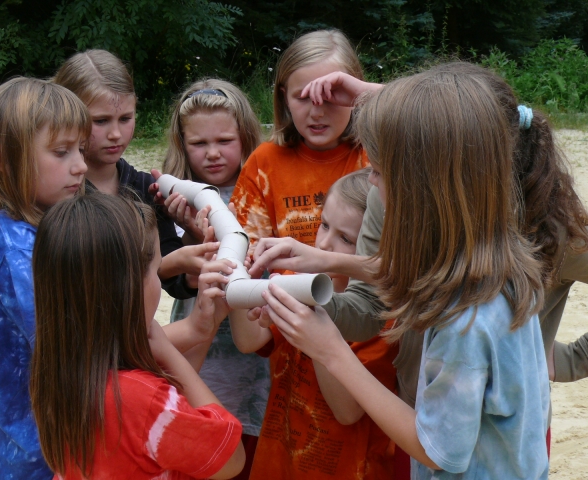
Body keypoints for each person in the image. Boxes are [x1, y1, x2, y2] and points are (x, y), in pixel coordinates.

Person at [250, 62, 588, 456]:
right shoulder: (468, 257)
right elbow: (383, 294)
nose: (370, 183)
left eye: (377, 170)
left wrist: (573, 359)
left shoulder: (475, 305)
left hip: (467, 445)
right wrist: (316, 296)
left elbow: (439, 450)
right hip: (414, 423)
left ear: (427, 185)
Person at [30, 193, 245, 479]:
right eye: (156, 270)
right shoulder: (138, 400)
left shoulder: (62, 369)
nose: (158, 279)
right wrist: (170, 353)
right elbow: (230, 457)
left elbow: (175, 401)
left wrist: (206, 326)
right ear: (128, 287)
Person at [229, 168, 398, 479]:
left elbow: (347, 412)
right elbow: (248, 340)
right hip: (280, 461)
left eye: (346, 238)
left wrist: (316, 326)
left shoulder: (384, 319)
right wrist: (236, 274)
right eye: (325, 225)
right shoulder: (299, 279)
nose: (325, 244)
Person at [159, 78, 266, 480]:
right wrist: (189, 233)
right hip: (205, 351)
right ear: (182, 144)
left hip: (259, 347)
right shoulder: (175, 198)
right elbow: (174, 278)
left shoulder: (262, 188)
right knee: (208, 442)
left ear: (246, 137)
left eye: (225, 140)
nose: (214, 153)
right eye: (199, 143)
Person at [0, 77, 91, 479]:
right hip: (45, 458)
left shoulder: (35, 230)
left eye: (81, 149)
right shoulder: (15, 251)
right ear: (4, 159)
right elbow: (79, 350)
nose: (81, 165)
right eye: (61, 152)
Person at [52, 49, 207, 299]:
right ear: (66, 116)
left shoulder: (145, 187)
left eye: (125, 118)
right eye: (101, 121)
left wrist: (193, 235)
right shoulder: (57, 190)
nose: (115, 134)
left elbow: (172, 279)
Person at [229, 29, 368, 252]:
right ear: (284, 98)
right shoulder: (264, 163)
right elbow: (246, 253)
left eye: (331, 96)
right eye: (303, 97)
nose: (317, 113)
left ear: (356, 92)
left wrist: (371, 96)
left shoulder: (377, 157)